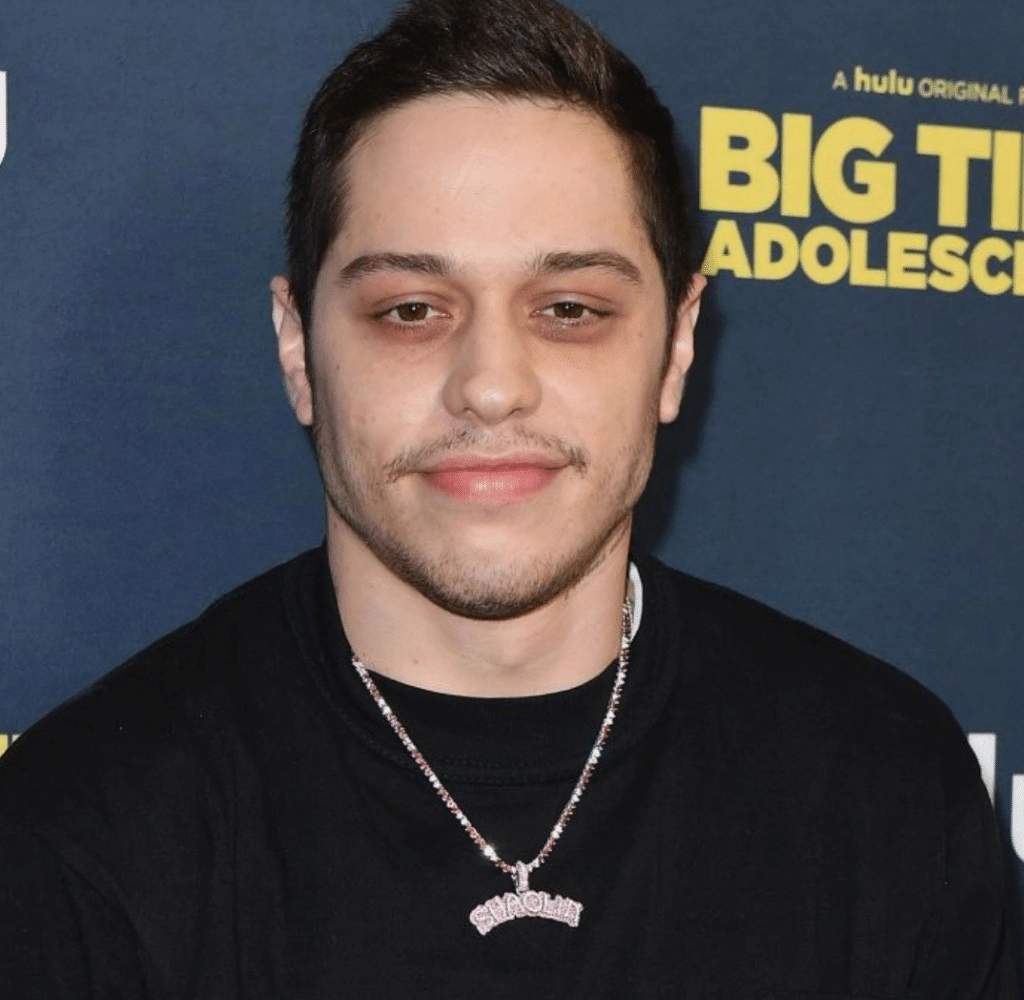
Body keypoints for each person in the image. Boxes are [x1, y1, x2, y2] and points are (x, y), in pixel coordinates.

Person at [0, 0, 1015, 996]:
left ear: (676, 347)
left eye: (569, 308)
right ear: (298, 349)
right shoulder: (79, 839)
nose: (490, 385)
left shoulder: (887, 791)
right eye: (410, 309)